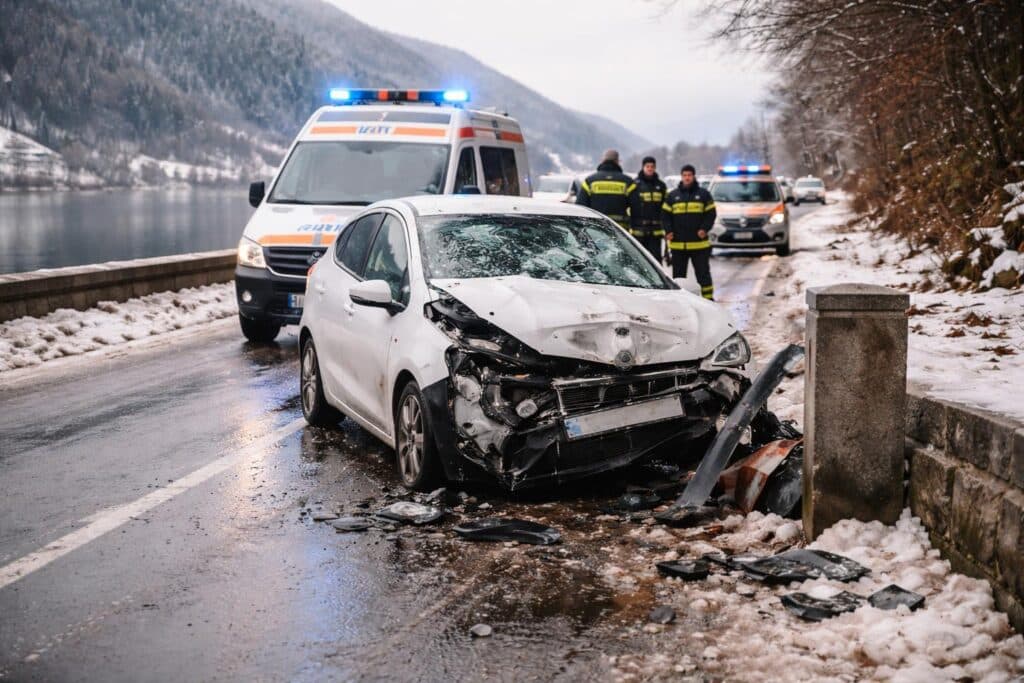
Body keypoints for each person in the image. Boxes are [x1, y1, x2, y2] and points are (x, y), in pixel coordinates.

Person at [662, 164, 716, 300]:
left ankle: (709, 299)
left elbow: (711, 214)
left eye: (689, 175)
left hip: (699, 245)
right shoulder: (672, 196)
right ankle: (680, 301)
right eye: (685, 175)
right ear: (681, 177)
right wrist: (668, 231)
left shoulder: (703, 195)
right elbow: (665, 216)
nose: (687, 178)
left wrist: (704, 229)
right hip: (678, 246)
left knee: (703, 275)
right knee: (678, 277)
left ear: (693, 176)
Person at [576, 149, 635, 230]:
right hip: (620, 231)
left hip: (595, 229)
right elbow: (636, 207)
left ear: (602, 160)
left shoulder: (590, 181)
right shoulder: (628, 182)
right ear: (617, 161)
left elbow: (580, 206)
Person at [629, 156, 667, 259]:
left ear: (655, 168)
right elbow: (629, 206)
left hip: (656, 232)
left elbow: (665, 208)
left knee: (656, 261)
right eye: (647, 166)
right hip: (638, 231)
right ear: (643, 167)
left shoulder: (661, 186)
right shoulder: (634, 185)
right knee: (639, 261)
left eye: (652, 166)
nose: (650, 168)